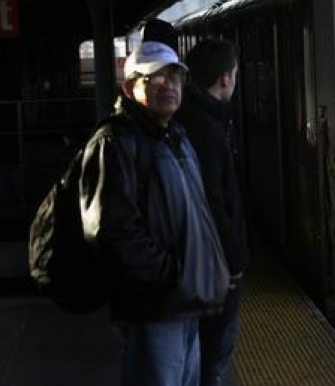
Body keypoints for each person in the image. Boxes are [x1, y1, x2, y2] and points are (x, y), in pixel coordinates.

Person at [79, 41, 230, 386]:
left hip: (186, 302)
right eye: (155, 80)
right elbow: (111, 230)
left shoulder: (174, 135)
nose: (169, 87)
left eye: (175, 78)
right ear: (130, 87)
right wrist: (171, 274)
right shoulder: (116, 142)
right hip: (155, 306)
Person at [176, 38, 250, 386]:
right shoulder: (205, 126)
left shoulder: (198, 117)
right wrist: (233, 259)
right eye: (235, 74)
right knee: (213, 355)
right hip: (214, 263)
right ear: (225, 78)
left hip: (204, 259)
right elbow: (212, 199)